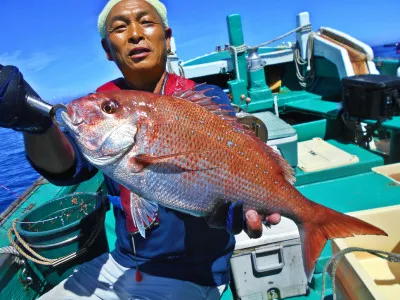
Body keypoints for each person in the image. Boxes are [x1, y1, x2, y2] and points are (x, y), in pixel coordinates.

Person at [0, 1, 281, 299]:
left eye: (145, 22)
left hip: (193, 271)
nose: (135, 34)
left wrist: (233, 201)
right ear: (108, 49)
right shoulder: (102, 110)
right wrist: (34, 125)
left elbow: (235, 156)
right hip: (123, 260)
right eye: (120, 27)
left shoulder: (206, 99)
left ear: (167, 37)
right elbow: (67, 169)